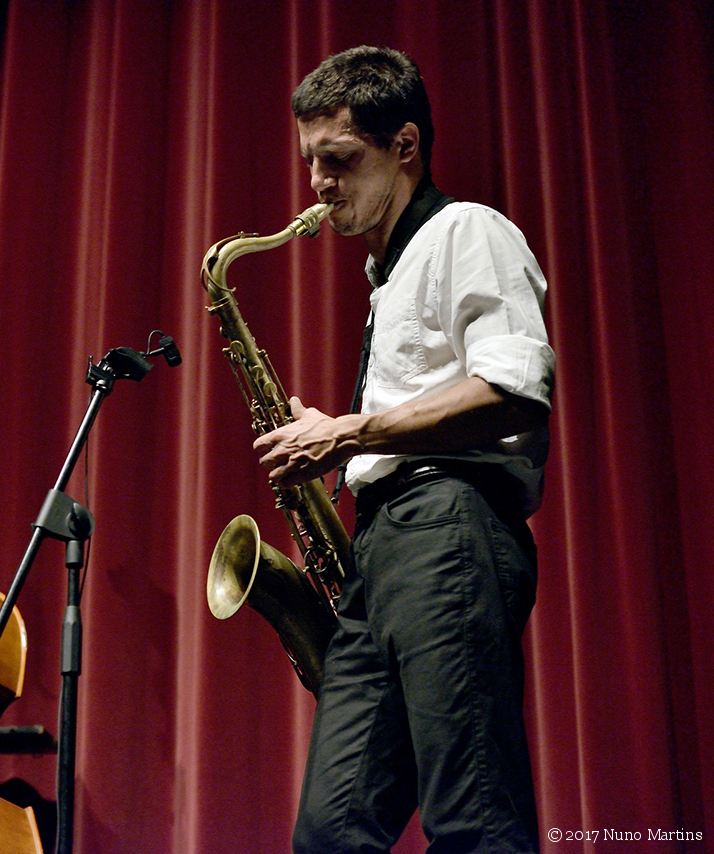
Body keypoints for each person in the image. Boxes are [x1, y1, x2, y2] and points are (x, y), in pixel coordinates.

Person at [252, 46, 555, 853]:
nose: (318, 182)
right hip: (384, 551)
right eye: (310, 160)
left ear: (406, 146)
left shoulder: (467, 230)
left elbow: (514, 389)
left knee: (473, 817)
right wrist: (343, 441)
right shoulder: (386, 276)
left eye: (339, 159)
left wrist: (347, 432)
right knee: (329, 834)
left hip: (447, 529)